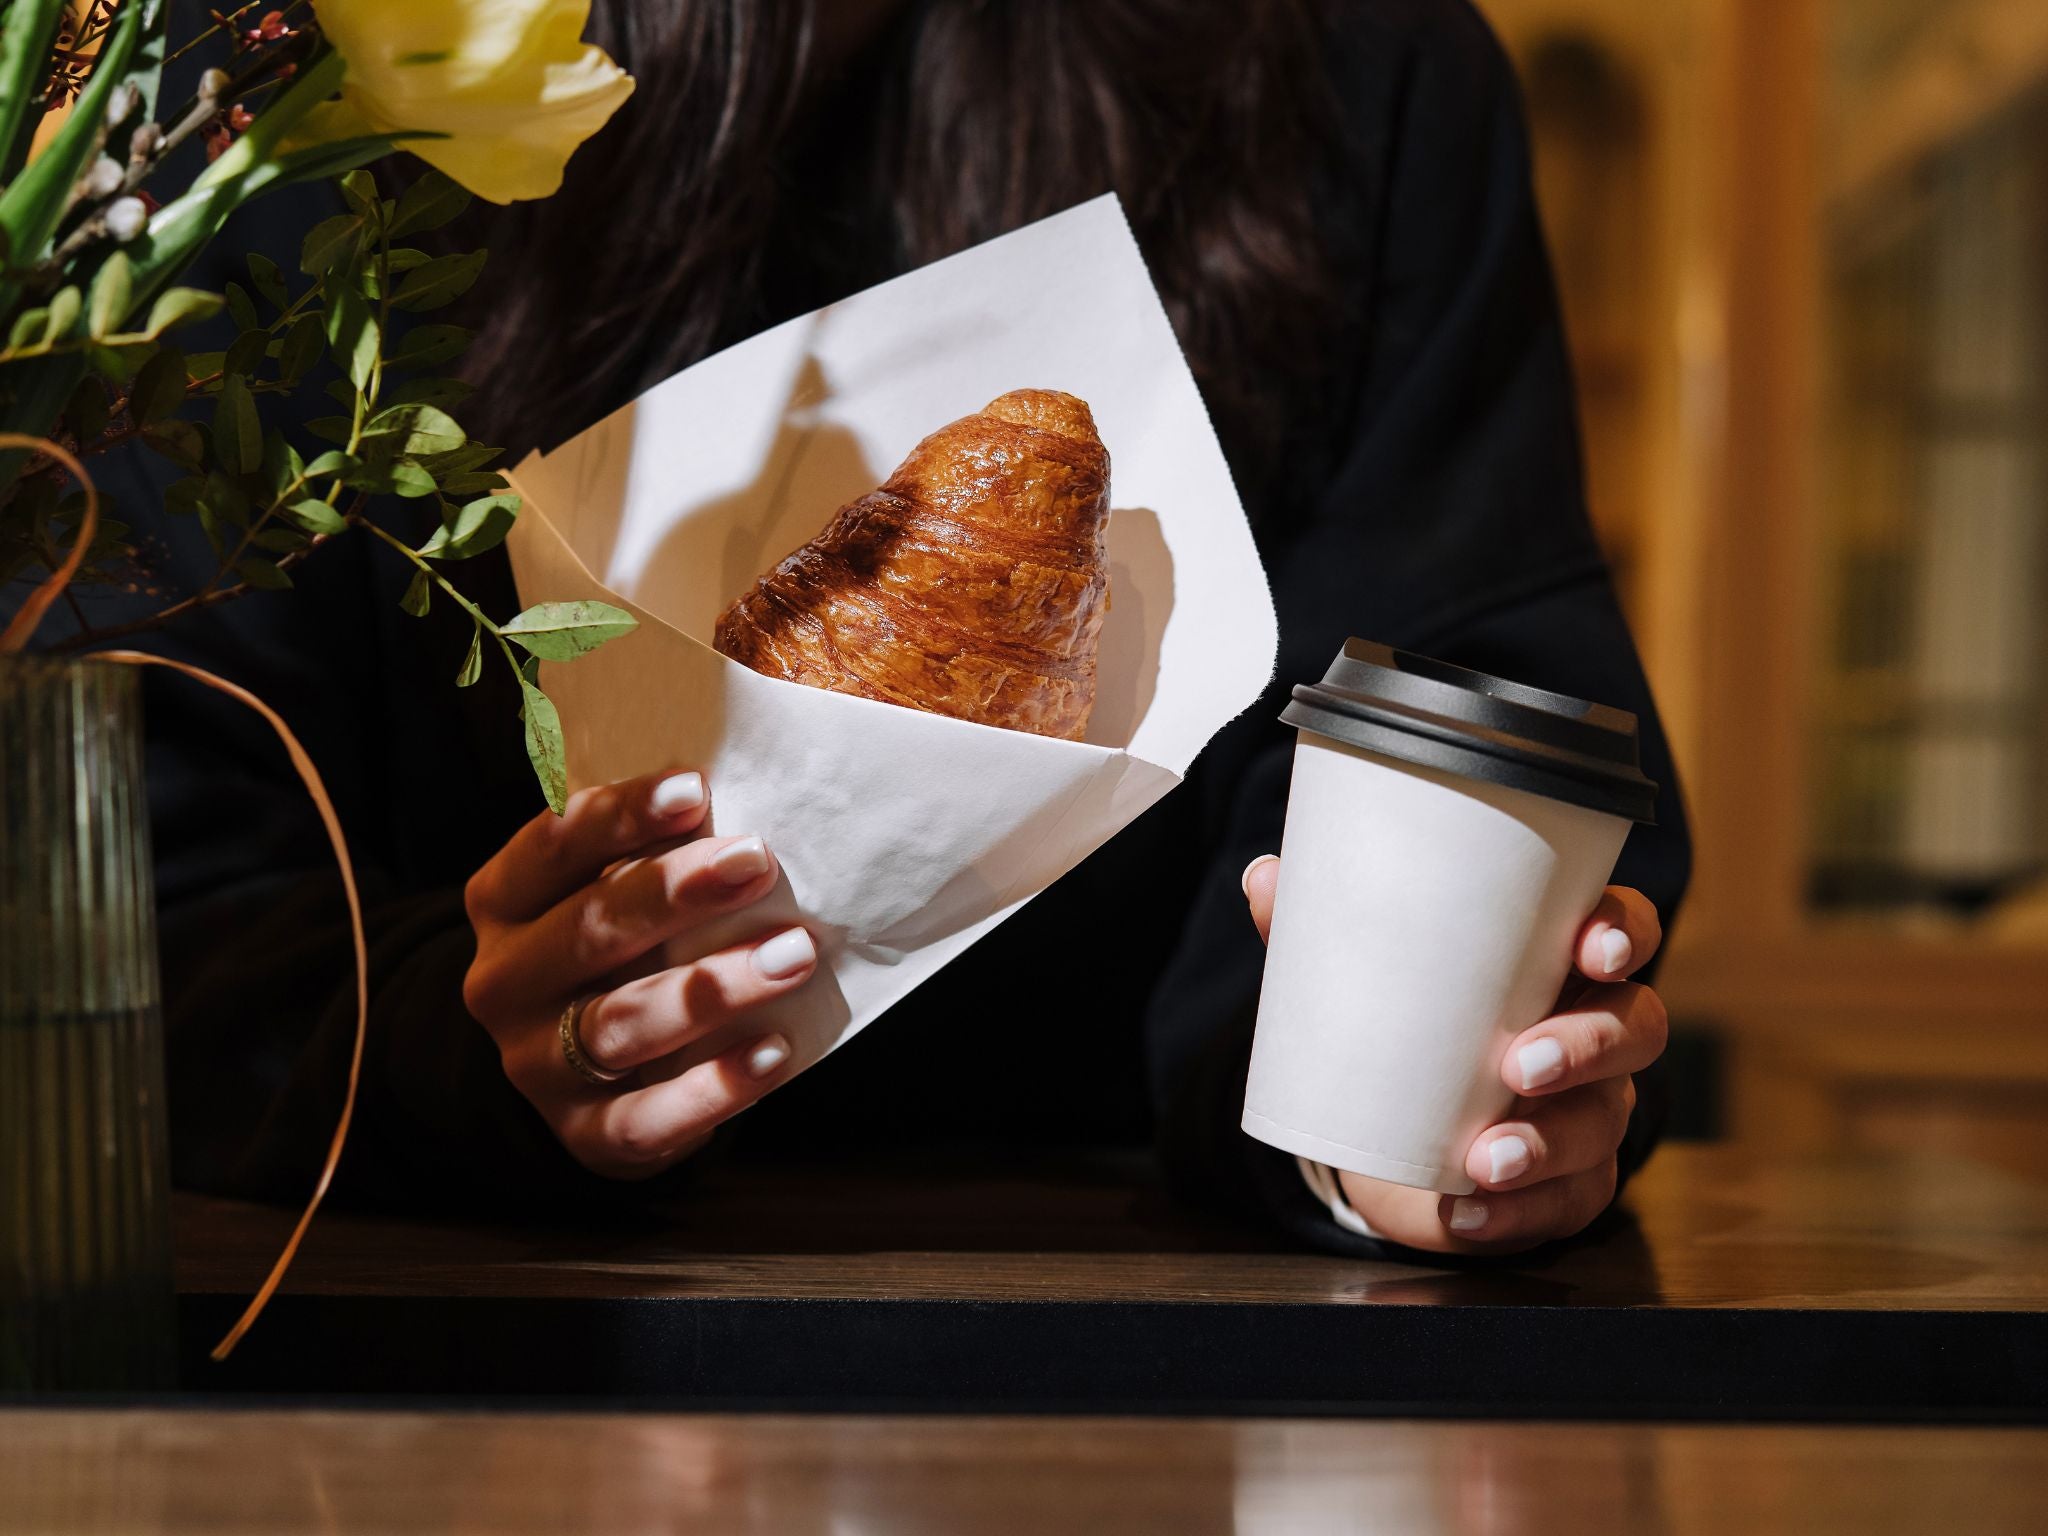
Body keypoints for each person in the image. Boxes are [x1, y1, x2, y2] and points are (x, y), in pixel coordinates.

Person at [92, 0, 1689, 1258]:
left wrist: (1401, 1125)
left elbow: (1467, 700)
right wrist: (454, 1046)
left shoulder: (1345, 69)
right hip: (412, 1342)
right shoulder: (262, 96)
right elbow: (136, 898)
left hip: (1157, 1338)